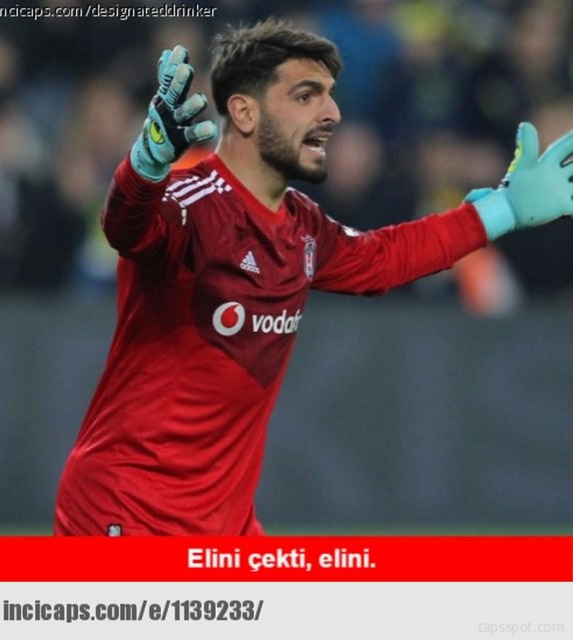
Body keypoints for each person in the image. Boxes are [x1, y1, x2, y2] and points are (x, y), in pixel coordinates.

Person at [54, 18, 573, 536]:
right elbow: (127, 228)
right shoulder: (192, 203)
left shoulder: (300, 224)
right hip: (128, 512)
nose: (332, 114)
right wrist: (145, 165)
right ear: (245, 112)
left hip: (223, 522)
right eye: (306, 96)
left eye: (329, 96)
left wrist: (503, 209)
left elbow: (382, 258)